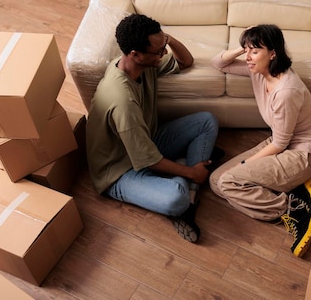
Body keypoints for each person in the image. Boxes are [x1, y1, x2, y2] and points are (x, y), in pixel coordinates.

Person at [86, 13, 222, 243]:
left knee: (206, 120)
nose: (164, 54)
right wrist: (191, 172)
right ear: (135, 54)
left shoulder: (142, 64)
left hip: (146, 140)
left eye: (163, 47)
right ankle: (187, 182)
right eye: (159, 52)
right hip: (119, 170)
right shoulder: (122, 101)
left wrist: (165, 40)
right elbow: (147, 158)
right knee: (174, 199)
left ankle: (186, 177)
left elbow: (185, 61)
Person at [209, 24, 311, 258]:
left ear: (273, 53)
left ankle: (294, 208)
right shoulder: (258, 71)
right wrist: (244, 50)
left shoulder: (286, 90)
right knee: (216, 181)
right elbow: (219, 63)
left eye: (255, 51)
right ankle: (286, 189)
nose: (249, 57)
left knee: (229, 182)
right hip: (280, 143)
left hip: (302, 153)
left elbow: (281, 144)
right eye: (246, 50)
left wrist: (245, 165)